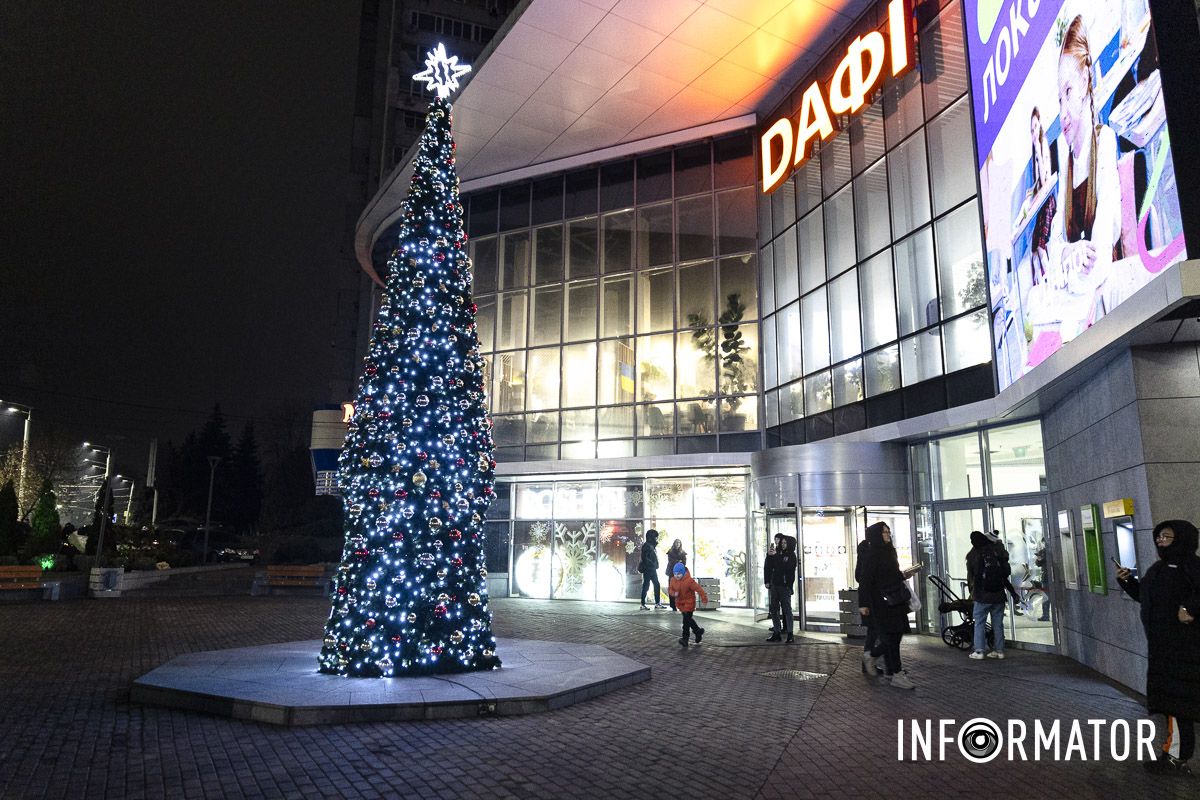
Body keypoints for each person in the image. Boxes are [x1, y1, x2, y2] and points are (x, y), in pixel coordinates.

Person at [1116, 519, 1200, 776]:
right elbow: (1146, 597)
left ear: (1182, 538)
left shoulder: (1191, 566)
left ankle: (1175, 756)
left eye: (1166, 536)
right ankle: (1174, 754)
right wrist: (1128, 582)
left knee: (1178, 704)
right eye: (1158, 537)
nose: (1160, 541)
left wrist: (1190, 608)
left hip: (1183, 649)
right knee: (1174, 703)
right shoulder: (1159, 568)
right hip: (1164, 648)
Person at [1050, 15, 1122, 315]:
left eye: (1068, 92)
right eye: (1059, 98)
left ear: (1085, 80)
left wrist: (1070, 266)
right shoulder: (1066, 167)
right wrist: (1069, 251)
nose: (1063, 113)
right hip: (1080, 310)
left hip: (1111, 305)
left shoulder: (1104, 143)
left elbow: (1102, 252)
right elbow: (1055, 248)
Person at [858, 521, 915, 689]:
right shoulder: (872, 554)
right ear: (877, 534)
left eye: (888, 532)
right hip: (881, 602)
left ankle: (878, 659)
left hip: (895, 600)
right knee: (890, 637)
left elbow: (893, 574)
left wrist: (904, 575)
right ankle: (896, 673)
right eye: (884, 532)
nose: (888, 534)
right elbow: (865, 581)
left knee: (895, 636)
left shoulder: (890, 552)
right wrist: (863, 604)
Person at [966, 531, 1019, 660]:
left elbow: (975, 576)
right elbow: (1004, 575)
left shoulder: (976, 554)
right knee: (998, 624)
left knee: (979, 623)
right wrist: (1012, 592)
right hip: (999, 595)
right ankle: (999, 651)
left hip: (983, 596)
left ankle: (979, 651)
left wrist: (973, 592)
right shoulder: (996, 553)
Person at [763, 533, 796, 643]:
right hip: (775, 585)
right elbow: (770, 566)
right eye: (782, 543)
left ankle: (790, 634)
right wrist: (769, 555)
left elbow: (786, 568)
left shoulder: (791, 556)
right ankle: (777, 632)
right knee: (773, 609)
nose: (783, 544)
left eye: (785, 543)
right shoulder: (779, 553)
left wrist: (789, 585)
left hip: (784, 586)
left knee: (787, 609)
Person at [669, 562, 709, 648]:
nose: (677, 576)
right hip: (681, 604)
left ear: (683, 572)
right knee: (689, 620)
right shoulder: (673, 580)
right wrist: (674, 593)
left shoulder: (689, 581)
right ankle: (698, 631)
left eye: (679, 574)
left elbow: (699, 589)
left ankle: (685, 639)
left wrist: (704, 598)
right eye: (675, 574)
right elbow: (670, 589)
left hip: (689, 604)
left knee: (686, 622)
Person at [638, 529, 665, 610]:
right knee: (647, 585)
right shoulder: (647, 546)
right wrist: (652, 564)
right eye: (655, 537)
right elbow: (645, 558)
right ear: (652, 537)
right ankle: (643, 604)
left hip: (651, 569)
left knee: (655, 585)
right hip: (649, 569)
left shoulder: (650, 545)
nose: (656, 539)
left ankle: (656, 603)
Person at [665, 539, 687, 611]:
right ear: (674, 543)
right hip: (672, 573)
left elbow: (684, 562)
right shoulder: (670, 552)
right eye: (676, 542)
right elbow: (671, 562)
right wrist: (678, 561)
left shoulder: (682, 552)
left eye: (679, 543)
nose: (677, 544)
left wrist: (679, 562)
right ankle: (673, 605)